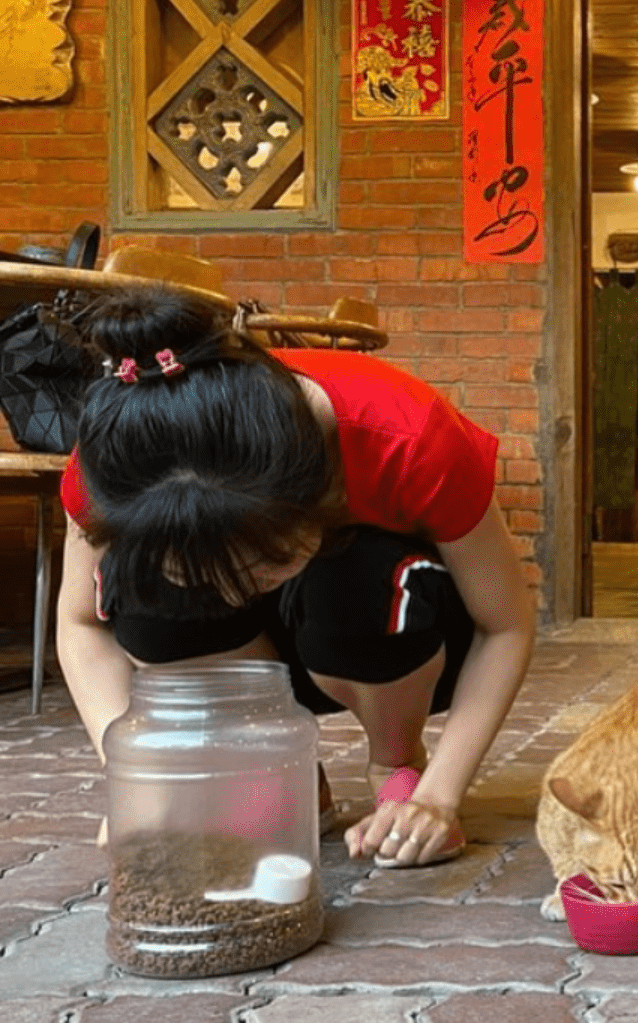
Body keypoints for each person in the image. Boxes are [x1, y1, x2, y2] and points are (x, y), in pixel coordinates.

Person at [56, 285, 535, 867]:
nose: (231, 596)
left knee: (360, 579)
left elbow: (504, 626)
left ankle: (397, 764)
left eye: (261, 564)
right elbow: (81, 625)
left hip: (388, 636)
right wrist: (141, 779)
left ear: (318, 486)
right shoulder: (118, 465)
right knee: (148, 599)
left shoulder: (405, 436)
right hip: (252, 665)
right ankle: (280, 768)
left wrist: (439, 799)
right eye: (209, 579)